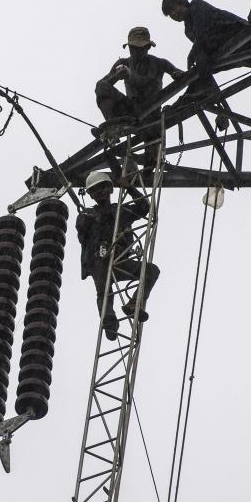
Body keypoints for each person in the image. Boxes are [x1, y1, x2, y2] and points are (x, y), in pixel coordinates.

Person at [76, 171, 160, 341]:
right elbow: (82, 233)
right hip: (98, 259)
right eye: (94, 190)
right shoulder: (87, 215)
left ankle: (135, 302)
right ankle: (109, 321)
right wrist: (89, 220)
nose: (99, 192)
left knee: (151, 271)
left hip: (120, 259)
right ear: (91, 195)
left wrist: (129, 188)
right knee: (104, 291)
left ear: (110, 189)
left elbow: (145, 208)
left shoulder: (121, 211)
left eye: (102, 188)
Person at [94, 26, 184, 166]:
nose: (136, 51)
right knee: (102, 87)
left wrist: (177, 75)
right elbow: (101, 86)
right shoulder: (123, 63)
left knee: (152, 162)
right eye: (133, 48)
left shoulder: (159, 63)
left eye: (140, 48)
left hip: (152, 115)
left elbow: (181, 75)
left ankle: (150, 157)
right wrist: (116, 77)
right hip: (130, 112)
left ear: (148, 47)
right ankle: (112, 129)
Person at [161, 0, 251, 111]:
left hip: (248, 37)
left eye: (174, 8)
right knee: (200, 69)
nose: (174, 14)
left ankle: (203, 92)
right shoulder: (188, 30)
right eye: (170, 13)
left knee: (200, 57)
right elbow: (203, 50)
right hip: (229, 50)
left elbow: (202, 35)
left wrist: (191, 56)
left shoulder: (196, 5)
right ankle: (182, 102)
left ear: (183, 3)